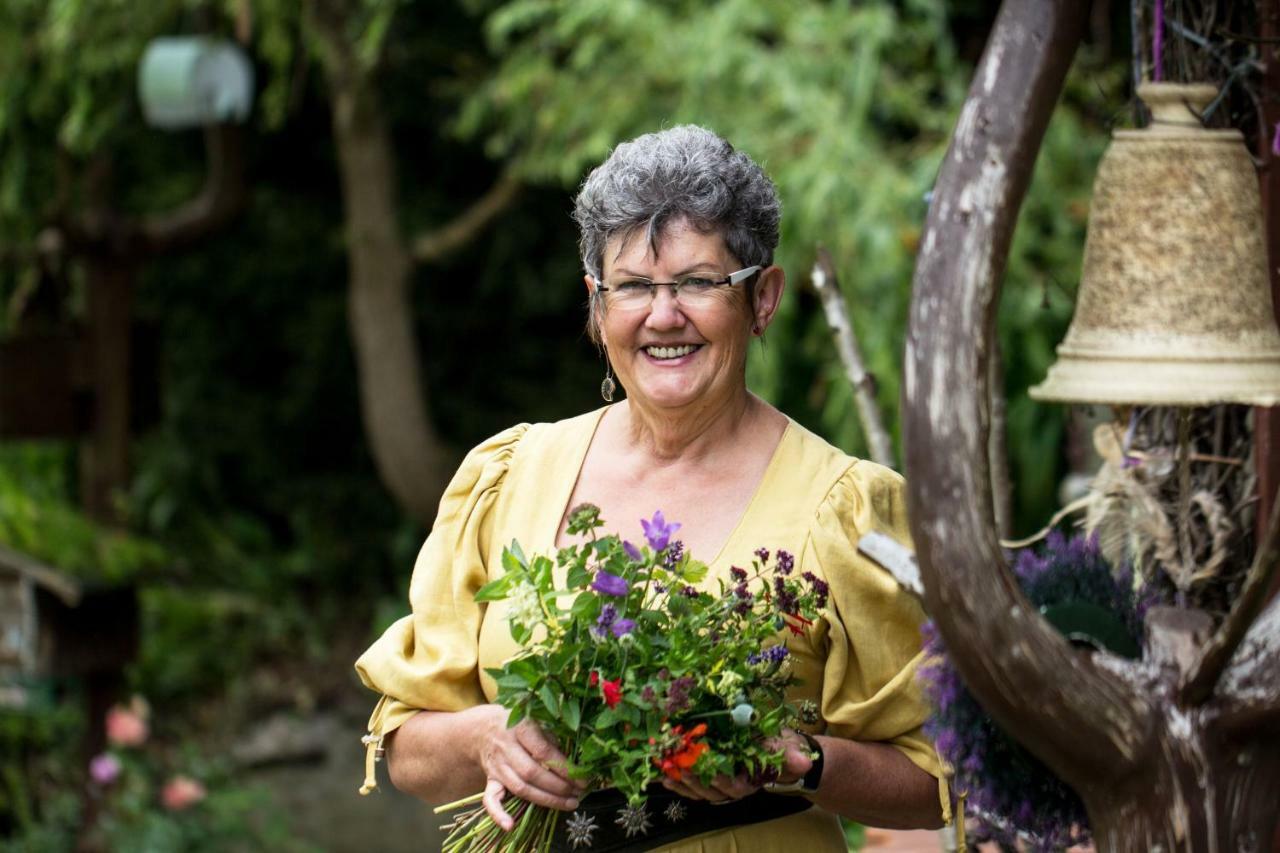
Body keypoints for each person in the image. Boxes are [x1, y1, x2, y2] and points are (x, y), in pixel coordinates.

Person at [355, 125, 948, 850]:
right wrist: (487, 736)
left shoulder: (846, 507)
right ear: (597, 307)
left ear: (762, 298)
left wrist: (797, 762)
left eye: (699, 282)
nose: (663, 315)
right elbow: (406, 745)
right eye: (632, 286)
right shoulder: (508, 476)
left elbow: (936, 780)